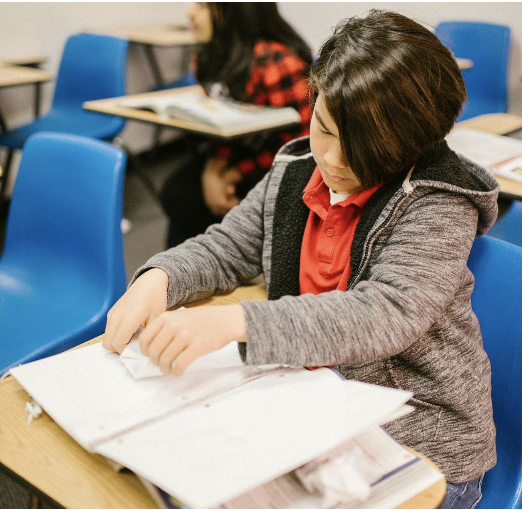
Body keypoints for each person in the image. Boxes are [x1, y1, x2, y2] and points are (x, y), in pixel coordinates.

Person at [105, 10, 498, 509]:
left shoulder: (436, 202)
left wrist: (237, 322)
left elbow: (385, 314)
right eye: (325, 129)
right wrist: (159, 277)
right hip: (312, 406)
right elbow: (228, 246)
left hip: (419, 441)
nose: (333, 161)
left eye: (364, 149)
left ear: (413, 145)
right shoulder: (295, 170)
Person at [160, 2, 312, 247]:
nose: (190, 11)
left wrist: (233, 174)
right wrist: (213, 170)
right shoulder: (210, 55)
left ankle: (226, 261)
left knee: (191, 203)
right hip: (240, 151)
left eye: (202, 5)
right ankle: (176, 271)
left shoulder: (277, 63)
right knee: (177, 193)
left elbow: (301, 144)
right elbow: (221, 122)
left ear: (233, 10)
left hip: (281, 164)